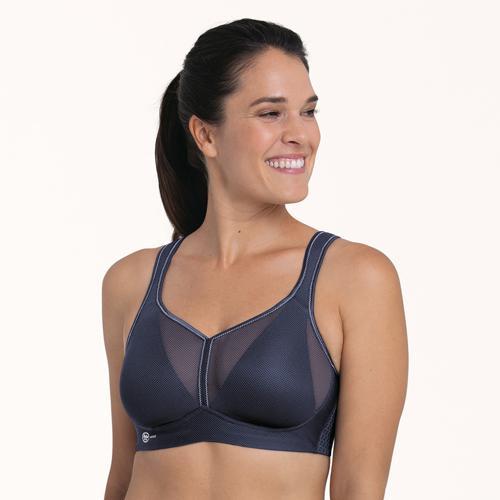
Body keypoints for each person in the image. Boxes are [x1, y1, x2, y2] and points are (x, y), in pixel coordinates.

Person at [102, 18, 408, 500]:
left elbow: (359, 488)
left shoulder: (354, 278)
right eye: (271, 113)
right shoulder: (131, 282)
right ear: (205, 135)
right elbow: (122, 475)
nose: (300, 134)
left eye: (308, 112)